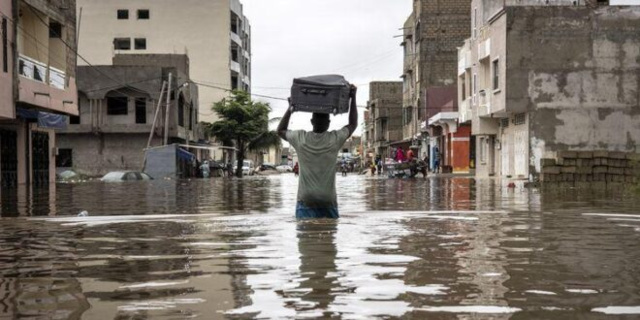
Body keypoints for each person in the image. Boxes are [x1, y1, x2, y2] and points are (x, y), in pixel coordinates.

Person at [278, 85, 358, 219]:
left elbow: (280, 130)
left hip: (306, 200)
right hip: (328, 200)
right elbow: (353, 124)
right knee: (328, 237)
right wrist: (353, 97)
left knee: (306, 237)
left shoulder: (300, 138)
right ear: (328, 123)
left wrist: (290, 108)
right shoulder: (334, 139)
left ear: (312, 121)